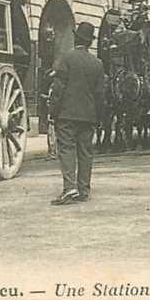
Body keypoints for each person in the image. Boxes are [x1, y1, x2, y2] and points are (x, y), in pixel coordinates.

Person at [47, 21, 105, 206]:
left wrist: (52, 111)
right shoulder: (97, 63)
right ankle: (84, 189)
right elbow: (100, 95)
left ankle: (69, 188)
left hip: (67, 114)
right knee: (86, 152)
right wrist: (98, 116)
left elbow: (58, 88)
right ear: (89, 42)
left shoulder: (67, 59)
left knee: (67, 149)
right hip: (88, 115)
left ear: (76, 39)